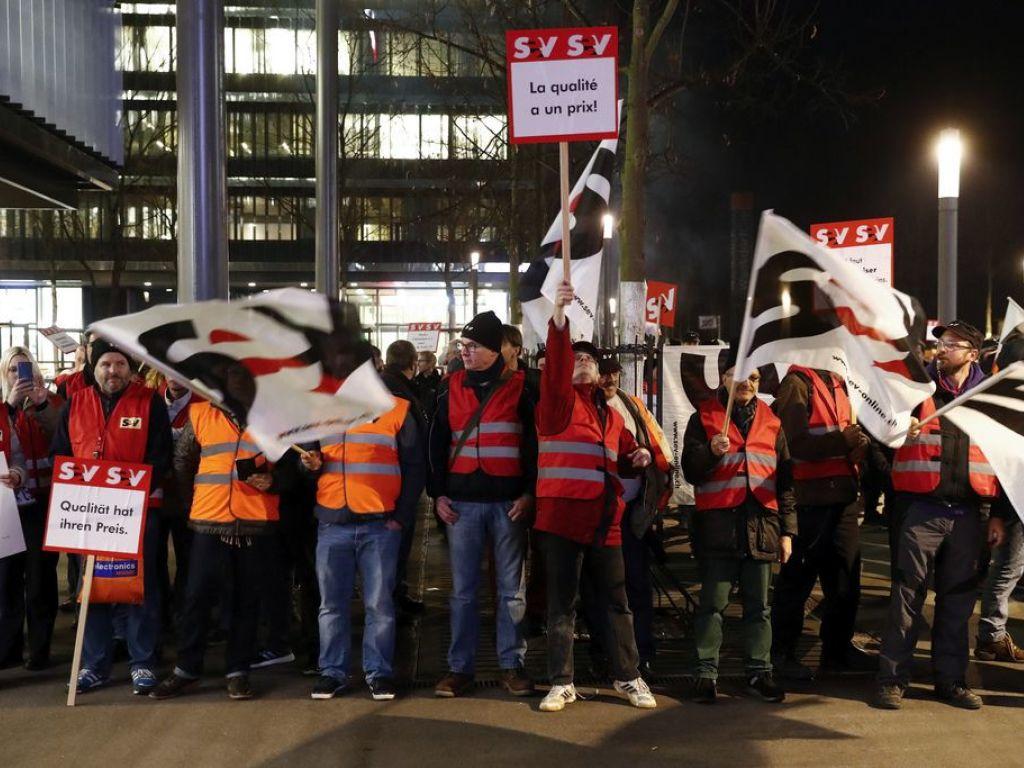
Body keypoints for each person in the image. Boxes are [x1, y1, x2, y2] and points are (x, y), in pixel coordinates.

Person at [534, 281, 656, 713]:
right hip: (563, 520)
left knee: (617, 602)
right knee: (562, 605)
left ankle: (628, 676)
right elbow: (556, 363)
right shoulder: (556, 403)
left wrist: (636, 457)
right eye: (576, 359)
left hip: (606, 523)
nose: (582, 363)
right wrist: (560, 319)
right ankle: (561, 682)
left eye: (589, 360)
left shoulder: (611, 416)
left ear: (601, 373)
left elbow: (621, 457)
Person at [874, 320, 1005, 710]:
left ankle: (951, 681)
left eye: (951, 344)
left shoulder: (988, 398)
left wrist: (997, 514)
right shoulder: (915, 388)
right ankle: (892, 679)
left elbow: (1007, 460)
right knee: (906, 597)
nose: (942, 349)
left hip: (969, 514)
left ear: (972, 354)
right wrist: (898, 448)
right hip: (920, 510)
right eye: (940, 342)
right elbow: (878, 438)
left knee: (958, 601)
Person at [298, 342, 425, 701]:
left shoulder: (398, 410)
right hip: (332, 522)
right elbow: (307, 460)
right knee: (331, 605)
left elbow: (415, 468)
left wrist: (400, 517)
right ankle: (332, 672)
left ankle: (379, 672)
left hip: (380, 524)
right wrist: (307, 466)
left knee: (379, 604)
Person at [150, 400, 296, 701]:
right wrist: (195, 502)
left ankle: (237, 671)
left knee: (246, 600)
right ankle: (186, 669)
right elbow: (182, 461)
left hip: (254, 522)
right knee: (196, 597)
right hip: (209, 522)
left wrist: (275, 481)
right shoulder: (202, 413)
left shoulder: (276, 415)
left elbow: (293, 468)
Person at [50, 338, 172, 694]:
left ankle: (142, 663)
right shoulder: (76, 402)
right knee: (92, 590)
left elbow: (160, 454)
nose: (112, 371)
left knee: (138, 588)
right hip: (88, 514)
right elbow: (61, 453)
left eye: (119, 364)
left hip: (137, 513)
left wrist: (129, 490)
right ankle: (94, 665)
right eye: (105, 364)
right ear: (94, 367)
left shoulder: (148, 401)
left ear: (129, 367)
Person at [429, 311, 537, 698]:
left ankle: (512, 665)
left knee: (512, 590)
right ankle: (461, 668)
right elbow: (436, 442)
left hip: (509, 503)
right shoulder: (448, 387)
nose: (465, 352)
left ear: (494, 351)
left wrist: (529, 493)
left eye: (472, 346)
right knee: (462, 591)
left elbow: (534, 446)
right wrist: (438, 493)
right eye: (463, 345)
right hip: (461, 504)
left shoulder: (524, 387)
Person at [682, 352, 796, 703]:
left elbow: (786, 482)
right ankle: (706, 674)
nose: (746, 383)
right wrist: (710, 453)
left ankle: (759, 674)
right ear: (723, 378)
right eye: (738, 375)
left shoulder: (773, 422)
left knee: (759, 607)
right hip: (718, 528)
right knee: (712, 605)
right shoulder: (703, 418)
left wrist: (789, 532)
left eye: (754, 378)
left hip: (761, 527)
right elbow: (689, 470)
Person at [770, 362, 871, 679]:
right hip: (808, 501)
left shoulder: (839, 381)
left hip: (842, 498)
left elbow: (842, 433)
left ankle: (837, 650)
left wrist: (858, 446)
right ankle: (782, 654)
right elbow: (793, 443)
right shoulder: (797, 384)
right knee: (797, 582)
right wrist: (843, 442)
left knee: (845, 581)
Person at [596, 350, 673, 675]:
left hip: (631, 515)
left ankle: (642, 651)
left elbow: (660, 448)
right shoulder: (582, 408)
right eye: (604, 372)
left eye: (614, 372)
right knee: (603, 588)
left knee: (637, 585)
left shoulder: (632, 406)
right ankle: (607, 653)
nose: (610, 379)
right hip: (597, 514)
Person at [0, 347, 50, 670]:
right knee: (6, 583)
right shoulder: (2, 411)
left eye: (25, 369)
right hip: (5, 509)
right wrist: (10, 407)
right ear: (4, 375)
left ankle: (40, 651)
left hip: (41, 505)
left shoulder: (50, 403)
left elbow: (63, 433)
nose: (20, 377)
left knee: (39, 581)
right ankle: (8, 650)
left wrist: (41, 404)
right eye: (13, 371)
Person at [380, 341, 429, 617]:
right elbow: (412, 447)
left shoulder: (383, 387)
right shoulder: (401, 393)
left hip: (384, 484)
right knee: (395, 548)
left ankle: (396, 596)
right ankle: (394, 602)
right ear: (412, 364)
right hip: (397, 484)